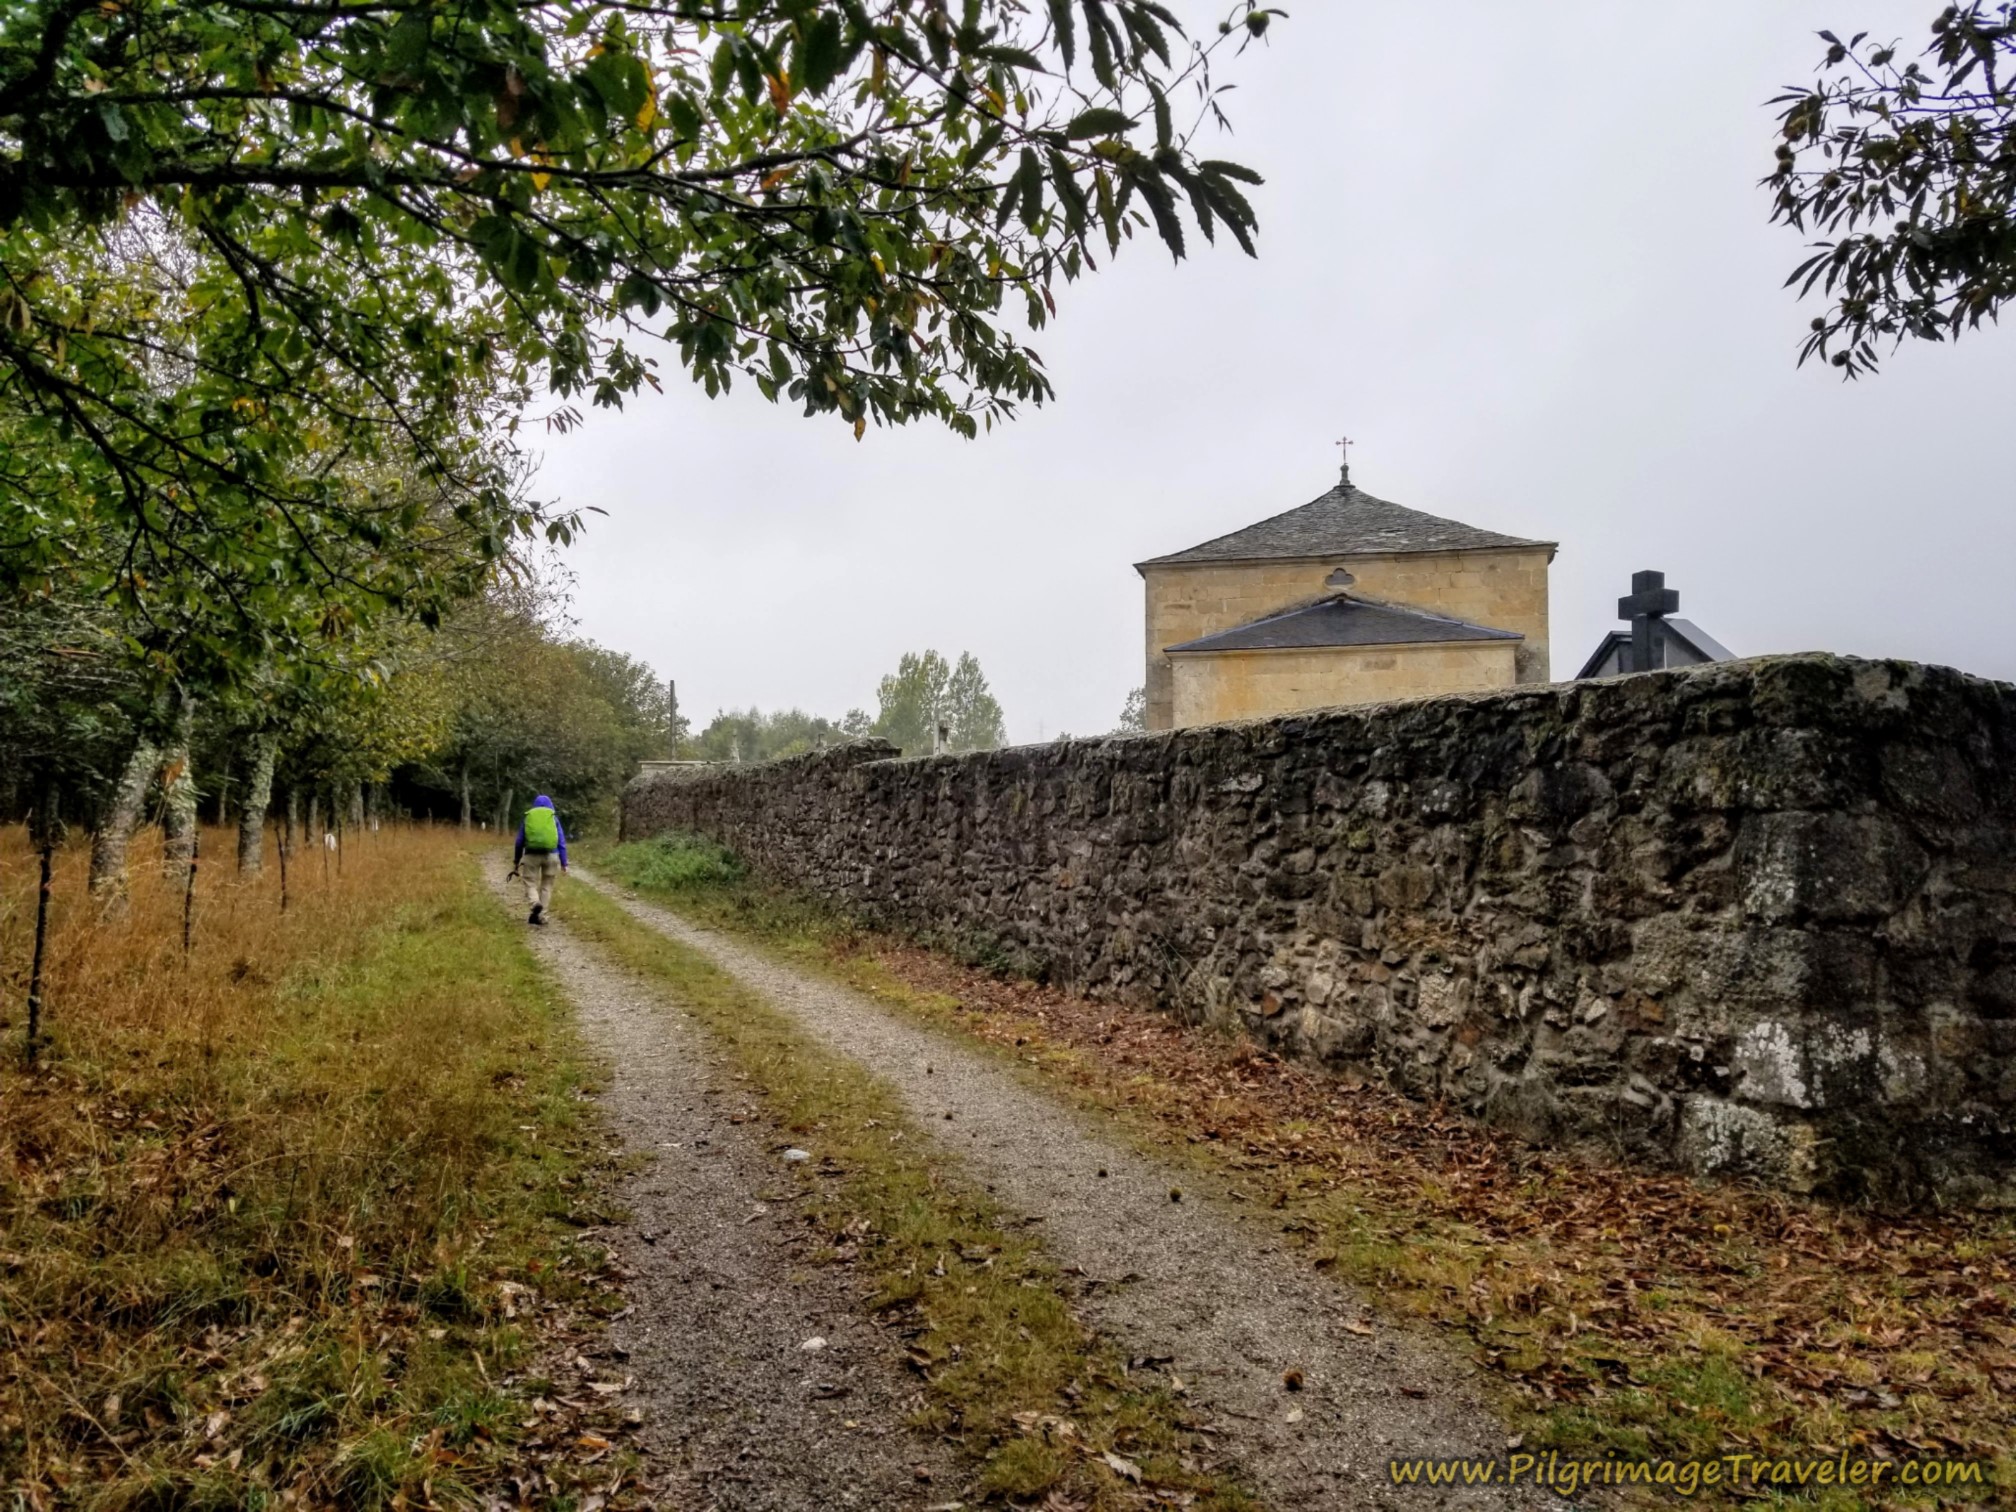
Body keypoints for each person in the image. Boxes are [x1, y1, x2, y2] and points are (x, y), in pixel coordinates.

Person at [513, 794, 568, 925]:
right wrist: (564, 862)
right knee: (547, 885)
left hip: (531, 855)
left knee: (530, 882)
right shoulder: (553, 818)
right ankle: (542, 916)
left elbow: (519, 842)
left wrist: (516, 859)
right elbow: (561, 842)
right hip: (551, 855)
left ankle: (535, 903)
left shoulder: (528, 817)